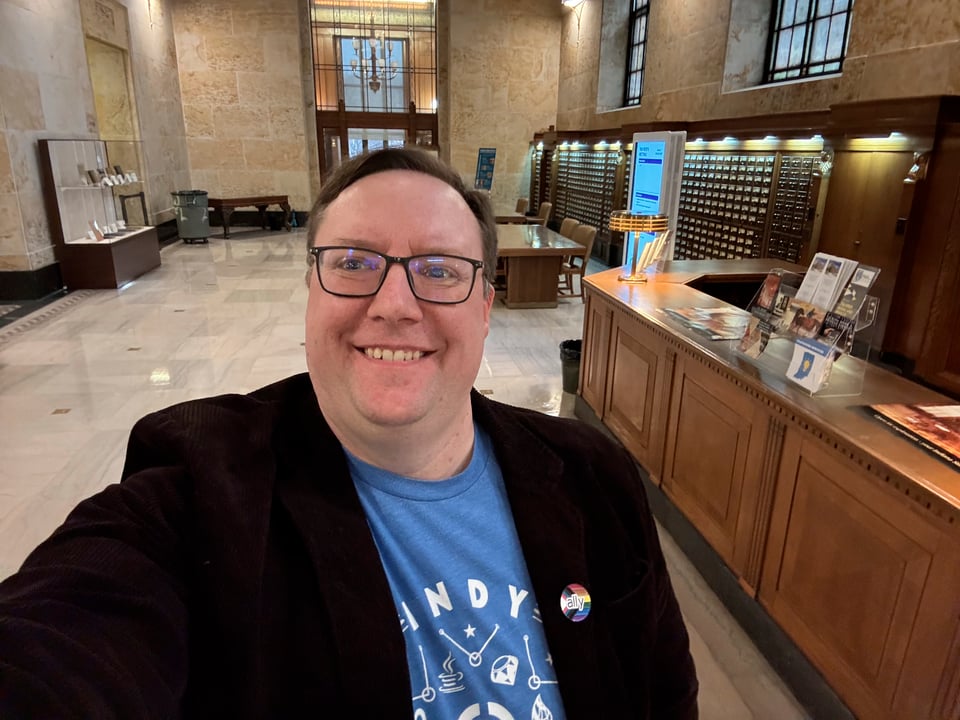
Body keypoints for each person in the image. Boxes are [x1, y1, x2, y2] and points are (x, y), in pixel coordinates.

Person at [0, 148, 698, 718]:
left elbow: (664, 691)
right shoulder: (202, 495)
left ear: (485, 306)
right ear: (311, 288)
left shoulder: (592, 474)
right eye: (355, 264)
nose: (395, 306)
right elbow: (66, 642)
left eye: (439, 271)